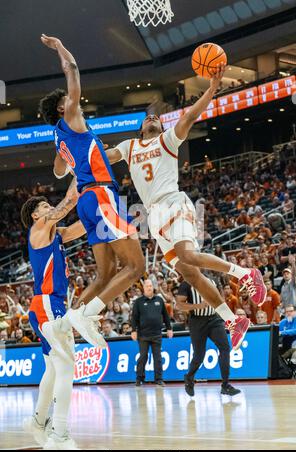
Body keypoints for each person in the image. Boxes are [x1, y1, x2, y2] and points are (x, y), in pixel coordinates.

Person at [106, 65, 266, 350]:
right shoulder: (129, 146)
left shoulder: (168, 140)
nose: (151, 119)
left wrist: (213, 88)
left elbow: (191, 115)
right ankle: (233, 320)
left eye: (156, 117)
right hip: (154, 217)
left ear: (161, 126)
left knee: (187, 255)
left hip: (174, 202)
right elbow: (105, 158)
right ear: (141, 127)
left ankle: (245, 274)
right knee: (190, 273)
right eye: (147, 118)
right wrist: (81, 155)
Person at [39, 34, 145, 339]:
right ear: (62, 108)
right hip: (101, 195)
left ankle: (63, 327)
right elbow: (72, 69)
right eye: (69, 102)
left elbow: (59, 172)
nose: (76, 104)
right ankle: (86, 315)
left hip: (88, 201)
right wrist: (60, 47)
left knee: (105, 273)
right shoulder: (71, 117)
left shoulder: (59, 139)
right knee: (136, 266)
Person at [20, 182, 95, 450]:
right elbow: (68, 202)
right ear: (36, 216)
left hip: (45, 306)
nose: (49, 208)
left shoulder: (56, 233)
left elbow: (83, 226)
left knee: (52, 370)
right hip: (49, 305)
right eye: (44, 207)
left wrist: (101, 208)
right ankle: (60, 432)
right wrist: (81, 170)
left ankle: (39, 422)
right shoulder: (38, 229)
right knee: (66, 369)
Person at [176, 280, 240, 397]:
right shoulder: (187, 283)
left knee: (225, 348)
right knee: (199, 356)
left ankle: (225, 385)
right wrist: (198, 306)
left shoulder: (211, 280)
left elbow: (220, 299)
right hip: (197, 321)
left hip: (214, 319)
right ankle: (189, 377)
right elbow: (179, 304)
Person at [131, 279, 173, 386]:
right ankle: (139, 378)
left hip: (157, 334)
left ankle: (158, 379)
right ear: (144, 288)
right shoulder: (138, 302)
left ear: (152, 287)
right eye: (147, 286)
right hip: (143, 335)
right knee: (143, 357)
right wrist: (133, 331)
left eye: (150, 286)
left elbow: (166, 316)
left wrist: (169, 328)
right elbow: (134, 318)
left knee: (158, 357)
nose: (149, 288)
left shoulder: (159, 300)